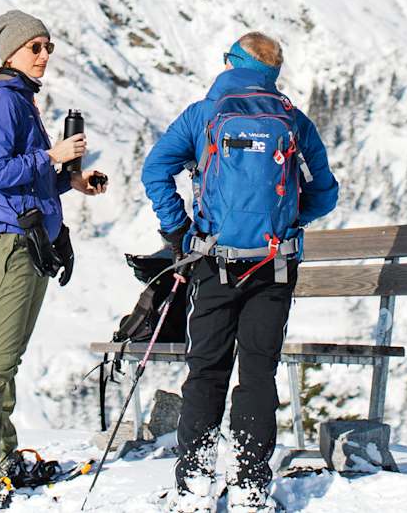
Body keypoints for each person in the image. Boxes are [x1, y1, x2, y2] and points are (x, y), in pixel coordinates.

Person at [141, 32, 338, 512]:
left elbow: (155, 170)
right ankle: (251, 484)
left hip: (214, 261)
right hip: (274, 263)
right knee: (257, 372)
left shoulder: (205, 114)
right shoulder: (291, 118)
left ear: (231, 63)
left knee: (206, 368)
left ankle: (195, 483)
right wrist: (291, 222)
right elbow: (326, 193)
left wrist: (181, 230)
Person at [0, 9, 108, 509]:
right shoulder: (2, 102)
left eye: (49, 47)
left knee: (9, 359)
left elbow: (31, 177)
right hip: (9, 242)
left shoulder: (22, 100)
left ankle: (2, 460)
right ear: (10, 52)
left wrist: (73, 180)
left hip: (30, 241)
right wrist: (53, 156)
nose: (45, 56)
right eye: (35, 47)